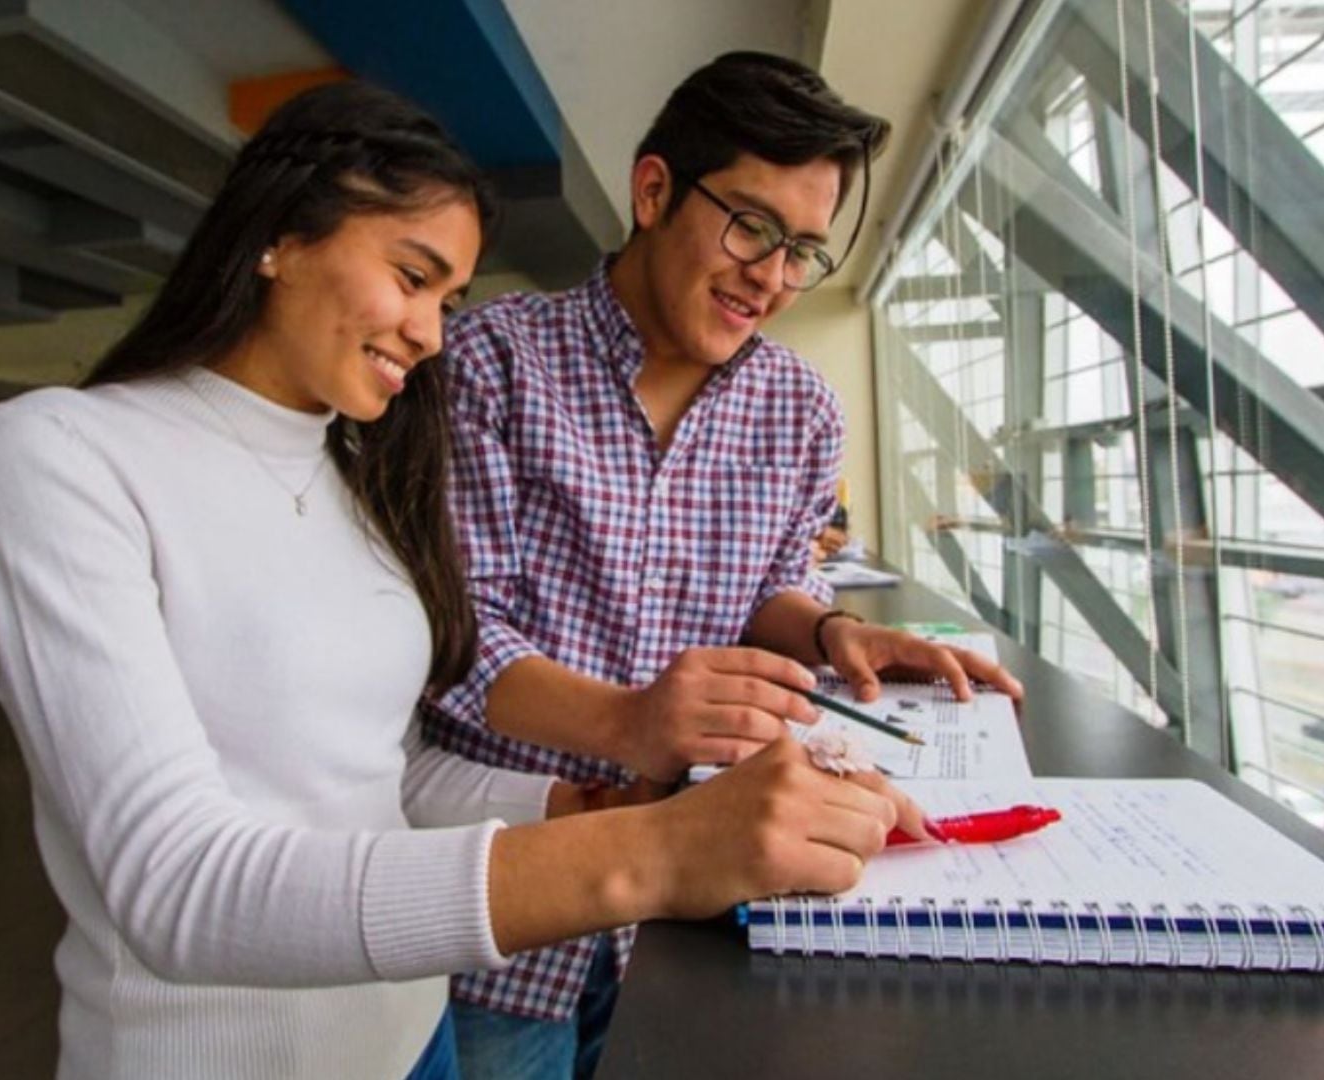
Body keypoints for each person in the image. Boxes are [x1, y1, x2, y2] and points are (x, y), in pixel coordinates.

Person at [0, 81, 925, 1080]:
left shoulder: (357, 468)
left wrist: (591, 806)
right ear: (281, 236)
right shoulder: (57, 454)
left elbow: (388, 774)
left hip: (415, 1034)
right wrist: (658, 850)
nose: (430, 336)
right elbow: (177, 888)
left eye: (448, 298)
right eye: (412, 277)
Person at [420, 52, 1025, 1078]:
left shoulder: (802, 411)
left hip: (694, 909)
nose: (772, 276)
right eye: (751, 226)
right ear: (653, 191)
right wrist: (627, 720)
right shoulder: (489, 364)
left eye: (802, 252)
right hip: (506, 907)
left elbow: (766, 589)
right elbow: (454, 640)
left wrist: (832, 630)